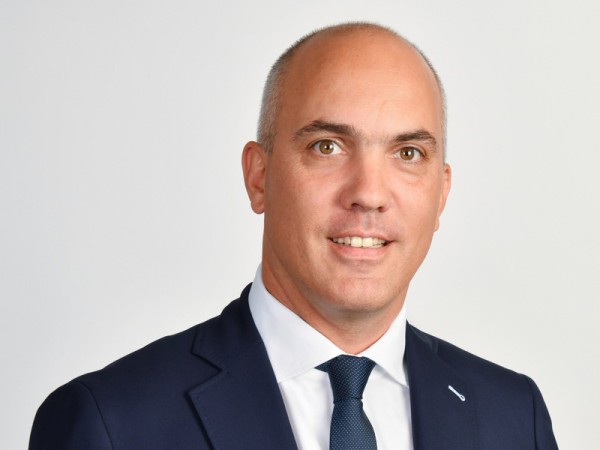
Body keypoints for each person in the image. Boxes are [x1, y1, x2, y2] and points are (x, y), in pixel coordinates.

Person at [29, 22, 559, 450]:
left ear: (441, 193)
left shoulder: (514, 416)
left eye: (408, 153)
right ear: (259, 177)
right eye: (327, 146)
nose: (369, 193)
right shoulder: (111, 422)